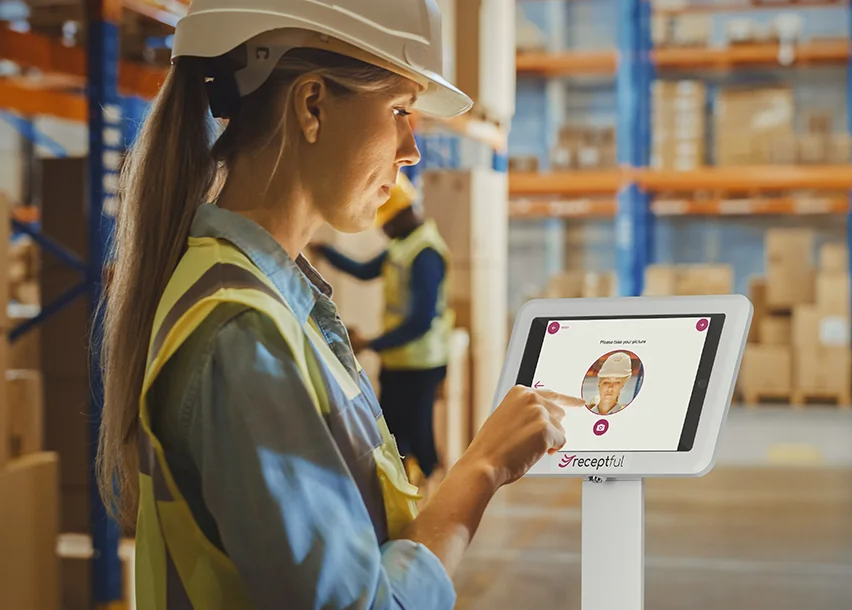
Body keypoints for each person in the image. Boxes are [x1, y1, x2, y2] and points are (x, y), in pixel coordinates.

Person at [91, 1, 575, 607]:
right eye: (400, 109)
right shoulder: (243, 331)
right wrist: (483, 468)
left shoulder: (263, 299)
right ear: (312, 105)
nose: (411, 150)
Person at [311, 173, 454, 483]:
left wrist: (371, 344)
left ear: (403, 215)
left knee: (419, 435)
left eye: (386, 222)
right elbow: (364, 271)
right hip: (398, 361)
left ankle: (433, 499)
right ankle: (410, 493)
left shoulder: (425, 253)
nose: (384, 230)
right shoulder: (402, 246)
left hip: (421, 363)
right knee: (393, 432)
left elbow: (420, 322)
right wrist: (324, 252)